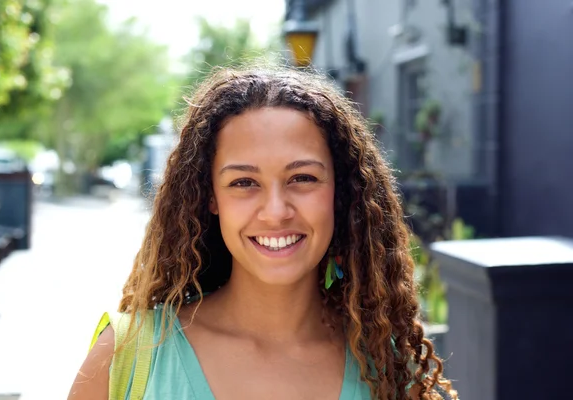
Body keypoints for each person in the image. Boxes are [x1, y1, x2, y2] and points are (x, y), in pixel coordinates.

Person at [68, 66, 458, 400]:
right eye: (243, 182)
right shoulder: (127, 356)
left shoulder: (389, 369)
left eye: (302, 178)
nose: (276, 211)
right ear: (210, 196)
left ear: (342, 193)